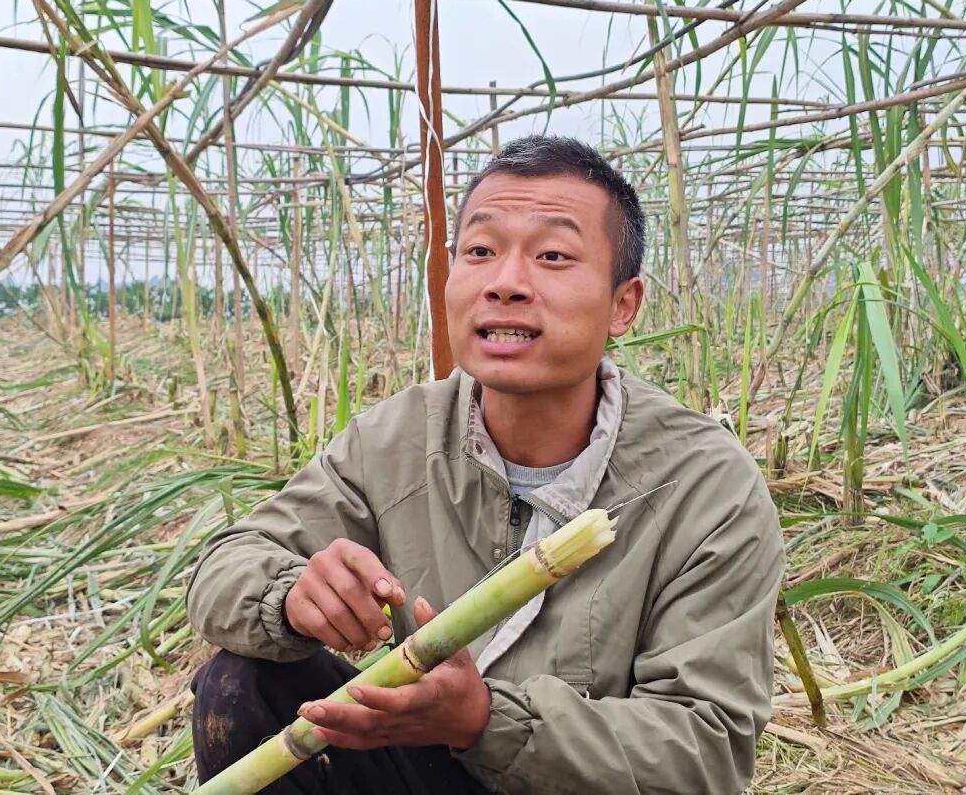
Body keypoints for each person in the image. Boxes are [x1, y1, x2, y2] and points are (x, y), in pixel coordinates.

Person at [186, 135, 784, 794]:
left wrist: (485, 720)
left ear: (624, 304)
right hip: (433, 773)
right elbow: (228, 565)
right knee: (240, 685)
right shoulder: (398, 439)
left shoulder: (703, 485)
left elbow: (708, 750)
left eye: (553, 256)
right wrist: (292, 598)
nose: (506, 283)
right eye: (480, 252)